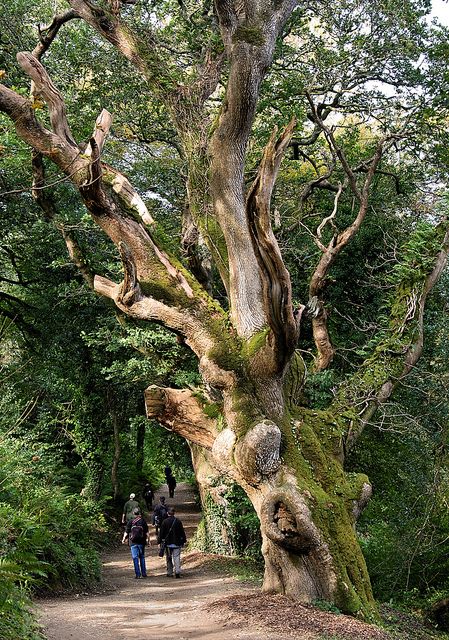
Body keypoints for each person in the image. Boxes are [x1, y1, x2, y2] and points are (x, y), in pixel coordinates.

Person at [158, 507, 186, 578]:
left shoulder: (165, 522)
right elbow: (182, 532)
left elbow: (161, 533)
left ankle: (169, 572)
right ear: (174, 513)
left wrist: (159, 541)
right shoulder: (178, 521)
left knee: (168, 557)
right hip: (177, 543)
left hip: (168, 543)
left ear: (168, 513)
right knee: (176, 557)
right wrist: (184, 540)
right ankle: (177, 571)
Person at [122, 507, 150, 578]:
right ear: (139, 513)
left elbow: (126, 532)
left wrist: (123, 539)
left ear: (133, 513)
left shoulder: (131, 522)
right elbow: (147, 532)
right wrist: (149, 541)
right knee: (142, 557)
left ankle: (138, 574)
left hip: (133, 542)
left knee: (135, 558)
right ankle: (144, 573)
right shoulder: (143, 521)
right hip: (141, 542)